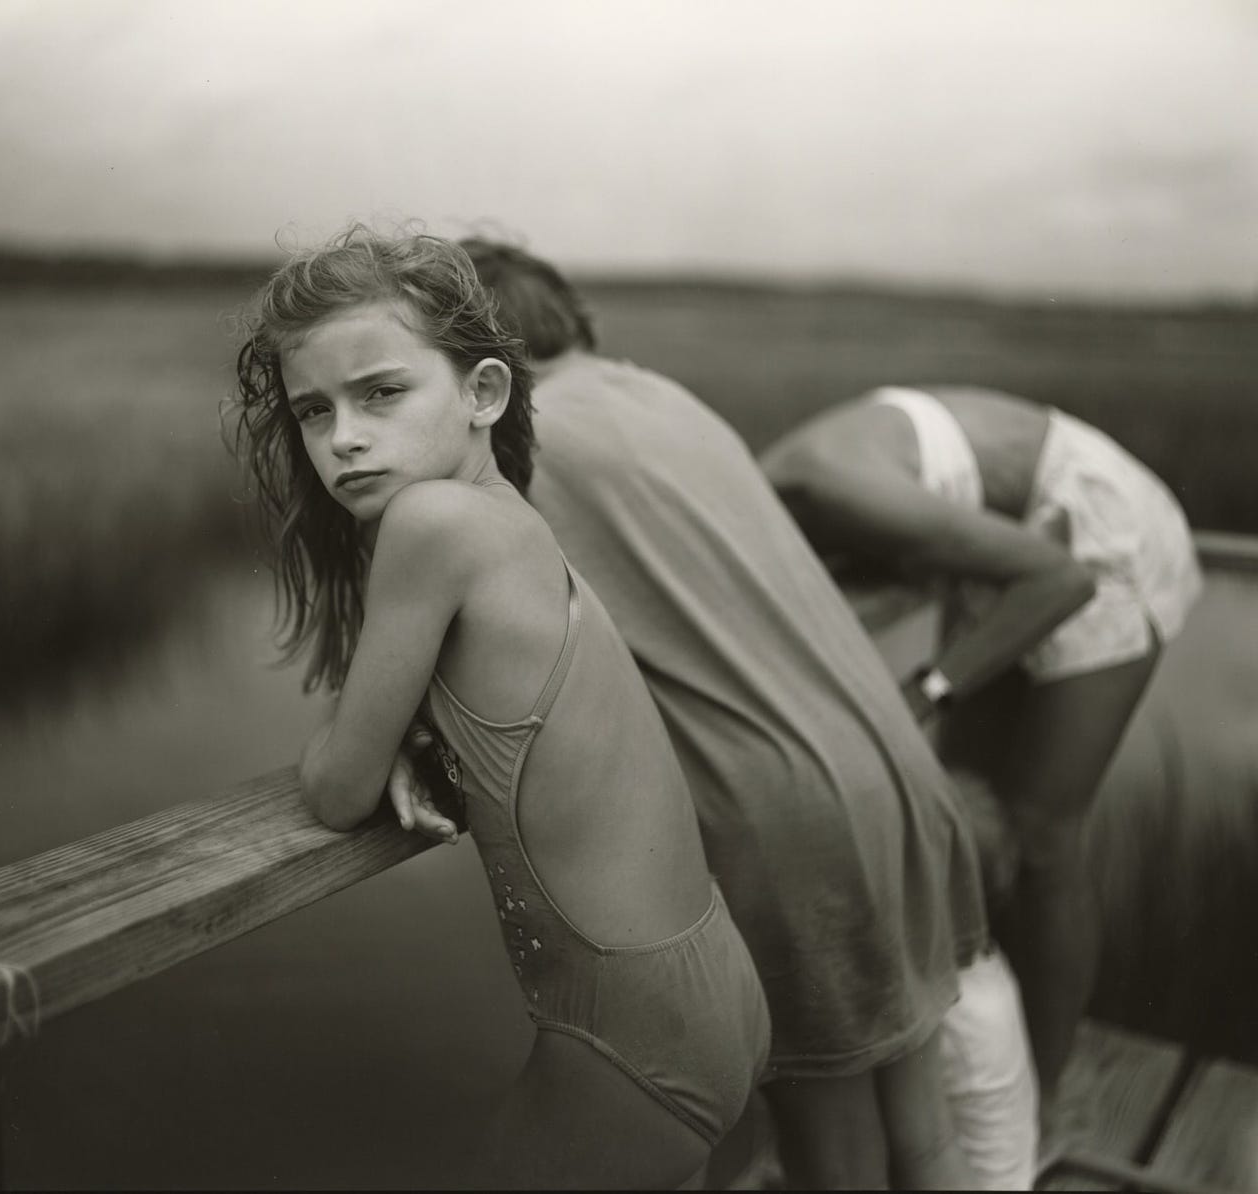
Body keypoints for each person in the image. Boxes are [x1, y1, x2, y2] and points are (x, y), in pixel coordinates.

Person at [396, 238, 990, 1189]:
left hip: (784, 816)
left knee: (832, 1156)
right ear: (576, 321)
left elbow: (464, 632)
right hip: (897, 775)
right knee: (927, 1137)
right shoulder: (670, 400)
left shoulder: (515, 445)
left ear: (474, 362)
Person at [228, 226, 771, 1190]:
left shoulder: (433, 525)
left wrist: (368, 738)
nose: (343, 435)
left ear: (483, 393)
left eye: (382, 392)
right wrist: (408, 724)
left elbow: (337, 791)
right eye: (313, 411)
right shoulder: (512, 522)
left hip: (630, 1032)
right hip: (701, 983)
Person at [759, 384, 1203, 1114]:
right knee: (961, 816)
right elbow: (867, 597)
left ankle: (1047, 1102)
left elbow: (1060, 581)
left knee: (1040, 837)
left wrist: (927, 691)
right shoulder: (769, 500)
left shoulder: (823, 483)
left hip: (1095, 536)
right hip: (1008, 549)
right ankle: (973, 1071)